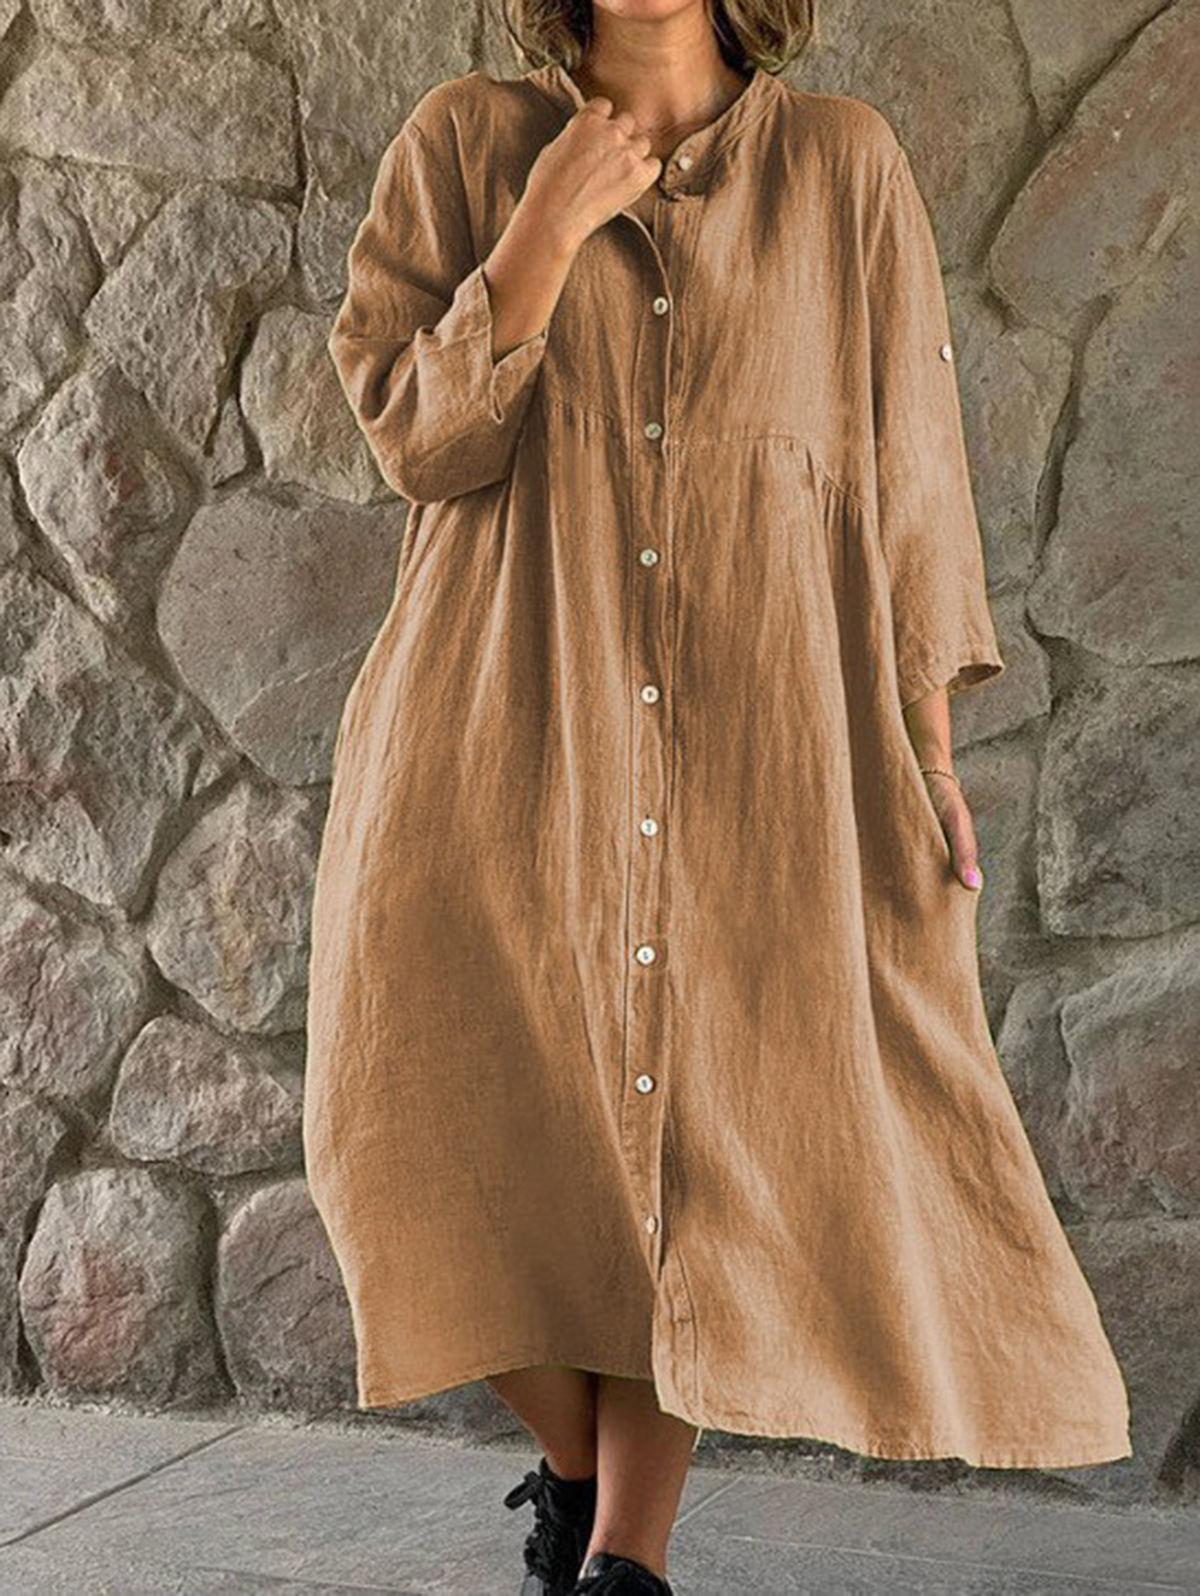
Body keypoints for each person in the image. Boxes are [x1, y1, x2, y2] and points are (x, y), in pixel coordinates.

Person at [303, 1, 1133, 1592]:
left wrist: (930, 753)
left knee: (713, 1142)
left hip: (765, 746)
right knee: (393, 1124)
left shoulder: (844, 166)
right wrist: (543, 232)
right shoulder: (467, 142)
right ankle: (576, 1481)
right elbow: (418, 441)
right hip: (491, 727)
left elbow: (908, 470)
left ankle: (628, 1560)